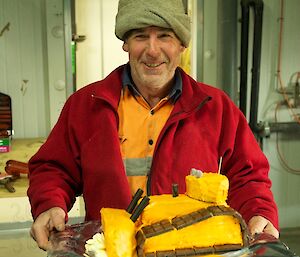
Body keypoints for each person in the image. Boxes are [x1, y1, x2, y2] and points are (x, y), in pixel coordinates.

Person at [28, 0, 279, 251]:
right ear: (125, 42)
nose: (152, 50)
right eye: (140, 36)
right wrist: (49, 204)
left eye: (164, 36)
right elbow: (54, 168)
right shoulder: (86, 105)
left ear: (182, 43)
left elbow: (248, 176)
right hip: (111, 250)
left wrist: (258, 211)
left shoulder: (216, 108)